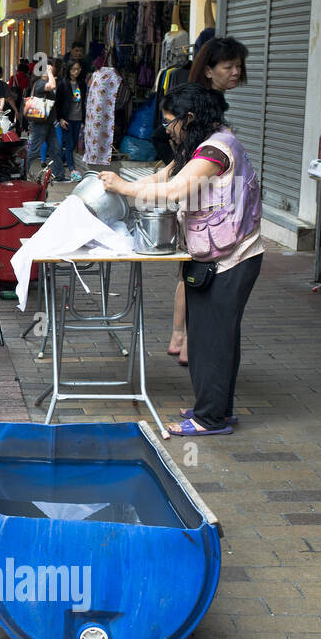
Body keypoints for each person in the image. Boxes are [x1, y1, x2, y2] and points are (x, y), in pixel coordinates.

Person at [100, 83, 263, 436]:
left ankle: (209, 419)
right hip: (216, 254)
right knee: (211, 336)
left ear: (189, 119)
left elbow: (175, 190)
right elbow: (163, 177)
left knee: (212, 338)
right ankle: (216, 408)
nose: (167, 129)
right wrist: (120, 180)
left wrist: (122, 188)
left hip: (233, 258)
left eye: (170, 122)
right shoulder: (203, 141)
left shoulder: (216, 151)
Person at [168, 35, 250, 364]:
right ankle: (184, 337)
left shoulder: (212, 100)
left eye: (238, 67)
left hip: (203, 189)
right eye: (228, 66)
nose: (235, 73)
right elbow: (191, 155)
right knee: (194, 268)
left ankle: (182, 337)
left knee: (193, 267)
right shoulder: (201, 104)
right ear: (208, 71)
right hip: (202, 194)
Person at [25, 58, 67, 181]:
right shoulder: (40, 84)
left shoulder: (42, 82)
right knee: (33, 150)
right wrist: (49, 72)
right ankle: (22, 172)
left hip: (48, 123)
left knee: (55, 149)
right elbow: (52, 85)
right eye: (51, 67)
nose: (54, 69)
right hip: (39, 124)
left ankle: (59, 175)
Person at [59, 58, 87, 182]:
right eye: (74, 69)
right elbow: (57, 103)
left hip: (78, 118)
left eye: (78, 69)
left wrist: (84, 119)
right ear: (69, 70)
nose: (76, 71)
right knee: (69, 145)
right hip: (67, 119)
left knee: (73, 144)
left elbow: (84, 101)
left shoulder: (81, 83)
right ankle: (72, 170)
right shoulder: (63, 83)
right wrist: (60, 118)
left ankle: (57, 161)